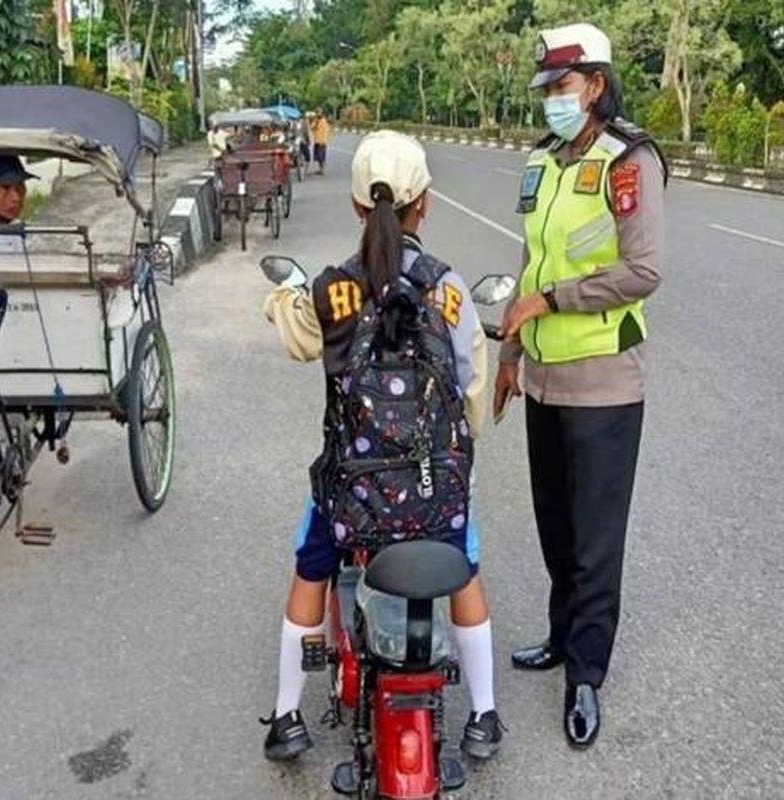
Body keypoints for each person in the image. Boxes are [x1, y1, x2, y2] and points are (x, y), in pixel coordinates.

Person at [260, 129, 504, 763]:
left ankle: (287, 716)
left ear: (355, 206)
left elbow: (296, 340)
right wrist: (453, 466)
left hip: (354, 494)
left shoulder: (333, 289)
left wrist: (282, 299)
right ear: (424, 203)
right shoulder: (448, 289)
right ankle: (484, 715)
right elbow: (471, 392)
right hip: (432, 492)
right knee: (466, 567)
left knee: (311, 565)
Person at [495, 22, 667, 749]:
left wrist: (554, 300)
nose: (552, 103)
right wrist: (511, 352)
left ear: (595, 86)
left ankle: (586, 676)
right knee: (555, 525)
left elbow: (644, 269)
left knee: (596, 540)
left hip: (604, 383)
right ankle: (563, 637)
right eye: (547, 91)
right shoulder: (544, 164)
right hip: (542, 379)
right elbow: (531, 262)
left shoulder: (627, 161)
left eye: (562, 89)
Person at [309, 110, 330, 174]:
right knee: (317, 156)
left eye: (319, 113)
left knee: (321, 156)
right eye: (317, 113)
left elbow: (326, 132)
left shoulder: (324, 122)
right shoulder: (316, 121)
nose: (318, 114)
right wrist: (315, 123)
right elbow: (312, 128)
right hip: (317, 141)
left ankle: (321, 169)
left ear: (322, 114)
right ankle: (320, 169)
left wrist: (324, 141)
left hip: (322, 142)